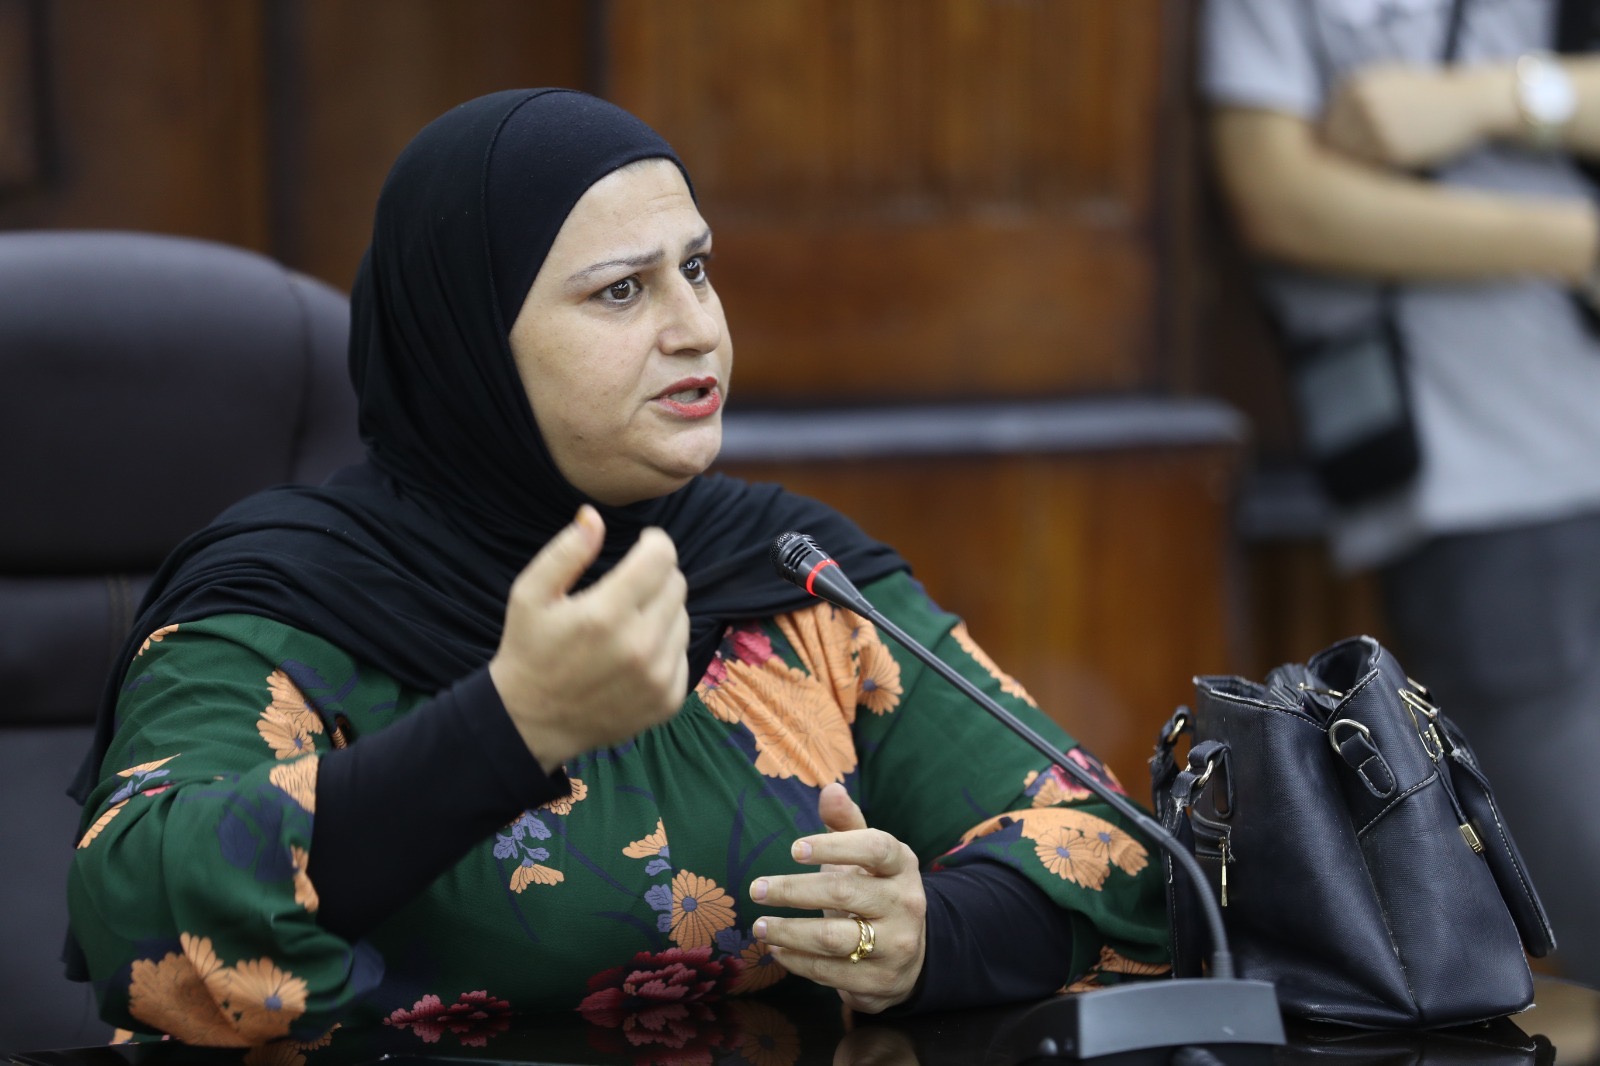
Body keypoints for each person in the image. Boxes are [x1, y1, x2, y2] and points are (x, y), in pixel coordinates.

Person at [64, 88, 1169, 1046]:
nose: (697, 330)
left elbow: (1110, 849)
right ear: (469, 338)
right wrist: (510, 728)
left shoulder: (783, 573)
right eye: (621, 291)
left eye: (696, 268)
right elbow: (139, 911)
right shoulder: (284, 604)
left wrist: (930, 936)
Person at [1201, 0, 1600, 984]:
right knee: (1574, 912)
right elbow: (1281, 197)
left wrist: (1497, 98)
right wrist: (1574, 239)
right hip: (1492, 481)